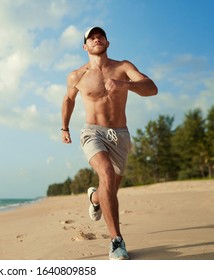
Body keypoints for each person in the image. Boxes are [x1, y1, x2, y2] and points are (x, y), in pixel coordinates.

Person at [61, 27, 157, 260]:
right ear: (85, 47)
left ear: (107, 42)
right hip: (92, 132)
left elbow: (152, 89)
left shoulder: (123, 67)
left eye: (100, 36)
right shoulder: (77, 75)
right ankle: (117, 241)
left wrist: (127, 85)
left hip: (120, 135)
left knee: (109, 189)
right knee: (106, 174)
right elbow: (68, 99)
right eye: (91, 37)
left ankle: (94, 198)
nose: (96, 38)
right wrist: (64, 127)